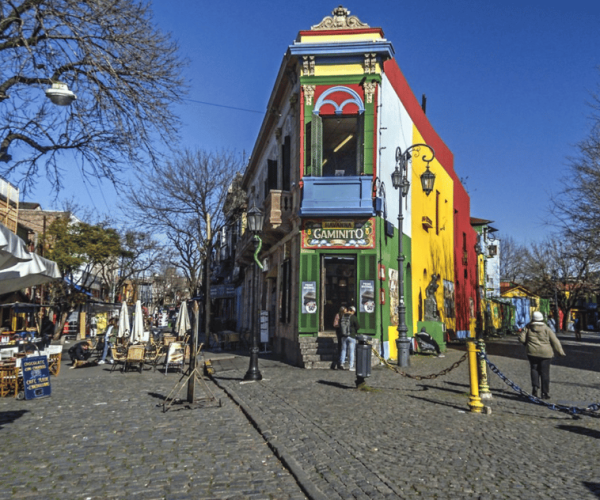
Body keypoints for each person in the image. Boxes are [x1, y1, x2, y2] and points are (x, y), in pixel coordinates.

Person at [518, 311, 565, 399]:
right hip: (546, 354)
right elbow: (555, 341)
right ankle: (544, 393)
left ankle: (535, 388)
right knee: (545, 372)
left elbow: (521, 339)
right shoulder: (547, 329)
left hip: (532, 352)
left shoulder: (528, 328)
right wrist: (560, 352)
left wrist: (527, 343)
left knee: (534, 369)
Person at [338, 306, 360, 371]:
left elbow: (340, 325)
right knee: (351, 351)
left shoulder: (343, 316)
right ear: (353, 311)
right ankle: (351, 366)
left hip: (344, 336)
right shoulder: (353, 317)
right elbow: (358, 327)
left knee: (343, 350)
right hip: (352, 336)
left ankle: (342, 363)